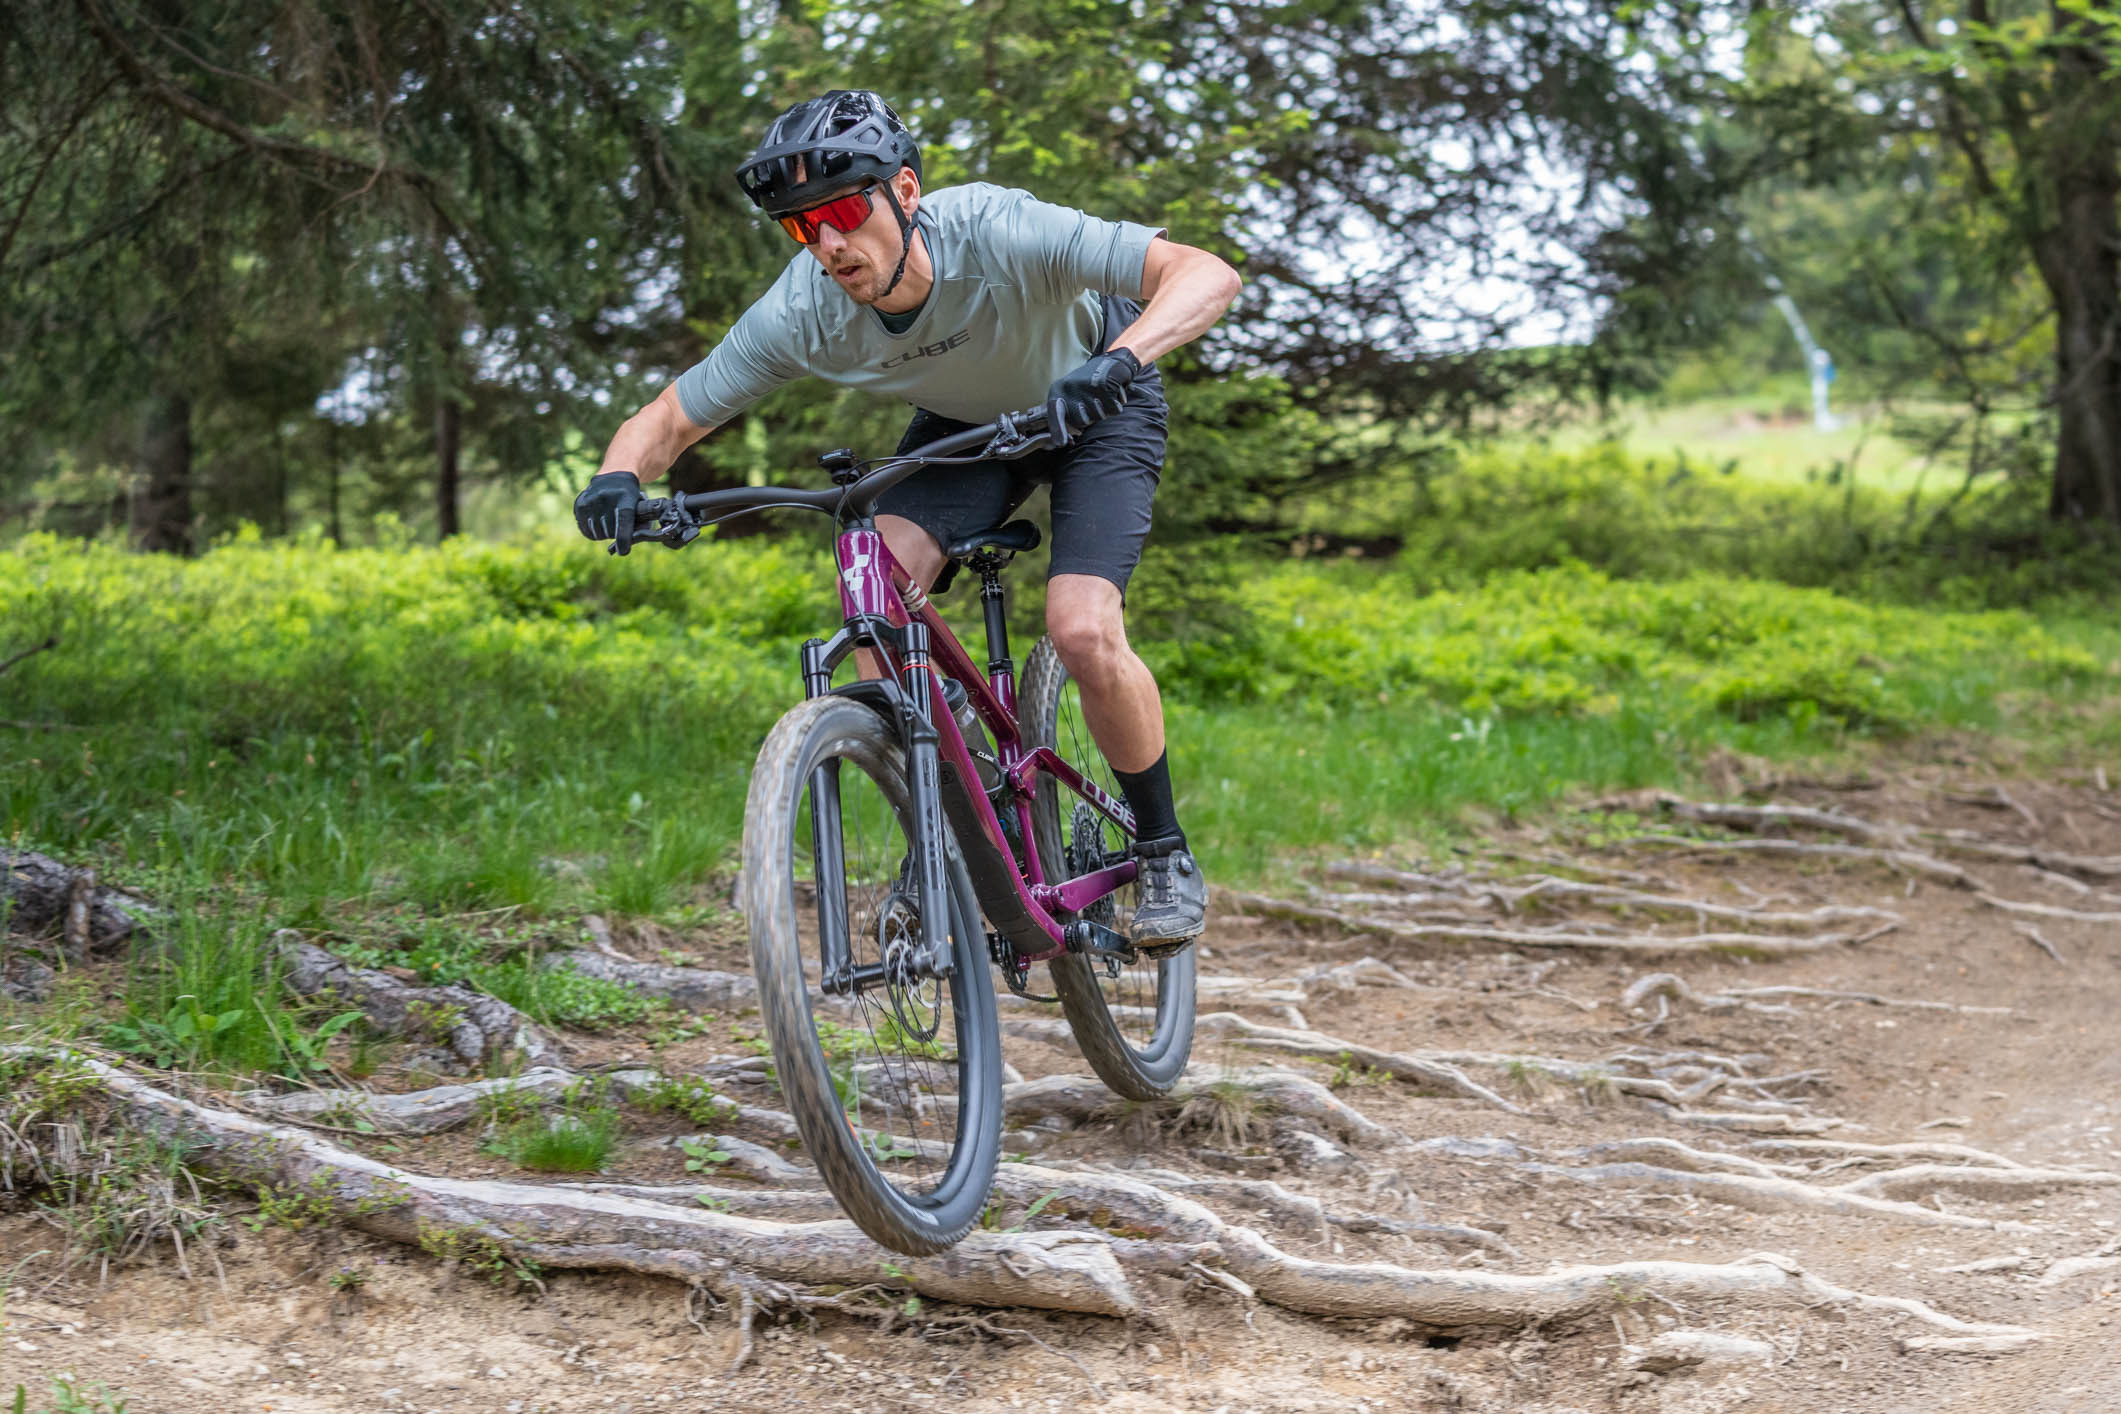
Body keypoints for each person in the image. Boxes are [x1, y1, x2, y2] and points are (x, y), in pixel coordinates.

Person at [574, 89, 1239, 945]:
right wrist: (615, 477)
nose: (829, 245)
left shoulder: (997, 230)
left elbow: (1203, 274)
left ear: (908, 193)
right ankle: (950, 825)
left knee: (1080, 628)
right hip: (969, 430)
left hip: (1095, 401)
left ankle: (1161, 850)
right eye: (801, 227)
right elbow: (670, 417)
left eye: (847, 211)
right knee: (873, 607)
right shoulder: (803, 310)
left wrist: (1117, 360)